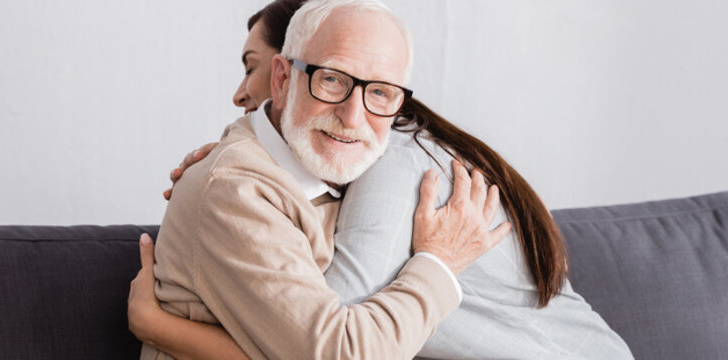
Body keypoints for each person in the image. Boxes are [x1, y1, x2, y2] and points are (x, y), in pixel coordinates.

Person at [130, 0, 634, 358]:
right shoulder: (256, 182)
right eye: (331, 79)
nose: (243, 94)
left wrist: (164, 328)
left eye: (380, 92)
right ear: (286, 79)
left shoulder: (392, 164)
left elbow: (338, 345)